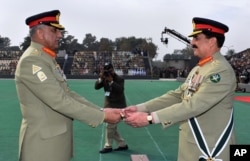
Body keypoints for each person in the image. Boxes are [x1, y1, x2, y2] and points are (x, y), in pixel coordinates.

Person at [124, 17, 236, 161]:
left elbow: (194, 105)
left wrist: (150, 118)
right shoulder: (199, 68)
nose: (192, 42)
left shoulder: (220, 71)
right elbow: (177, 95)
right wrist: (140, 108)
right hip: (191, 147)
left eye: (196, 38)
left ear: (212, 41)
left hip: (210, 150)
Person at [15, 10, 122, 161]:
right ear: (39, 33)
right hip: (43, 147)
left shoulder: (46, 58)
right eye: (54, 30)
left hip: (52, 143)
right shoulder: (32, 61)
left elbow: (68, 94)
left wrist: (100, 110)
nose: (60, 35)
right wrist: (102, 116)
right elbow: (59, 100)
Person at [95, 62, 128, 153]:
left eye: (110, 70)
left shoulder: (120, 79)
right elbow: (96, 87)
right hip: (108, 106)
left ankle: (108, 146)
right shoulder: (104, 78)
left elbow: (120, 90)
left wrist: (111, 81)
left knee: (110, 126)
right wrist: (101, 78)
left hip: (118, 107)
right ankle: (122, 144)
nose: (109, 73)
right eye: (106, 71)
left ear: (113, 70)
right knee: (112, 127)